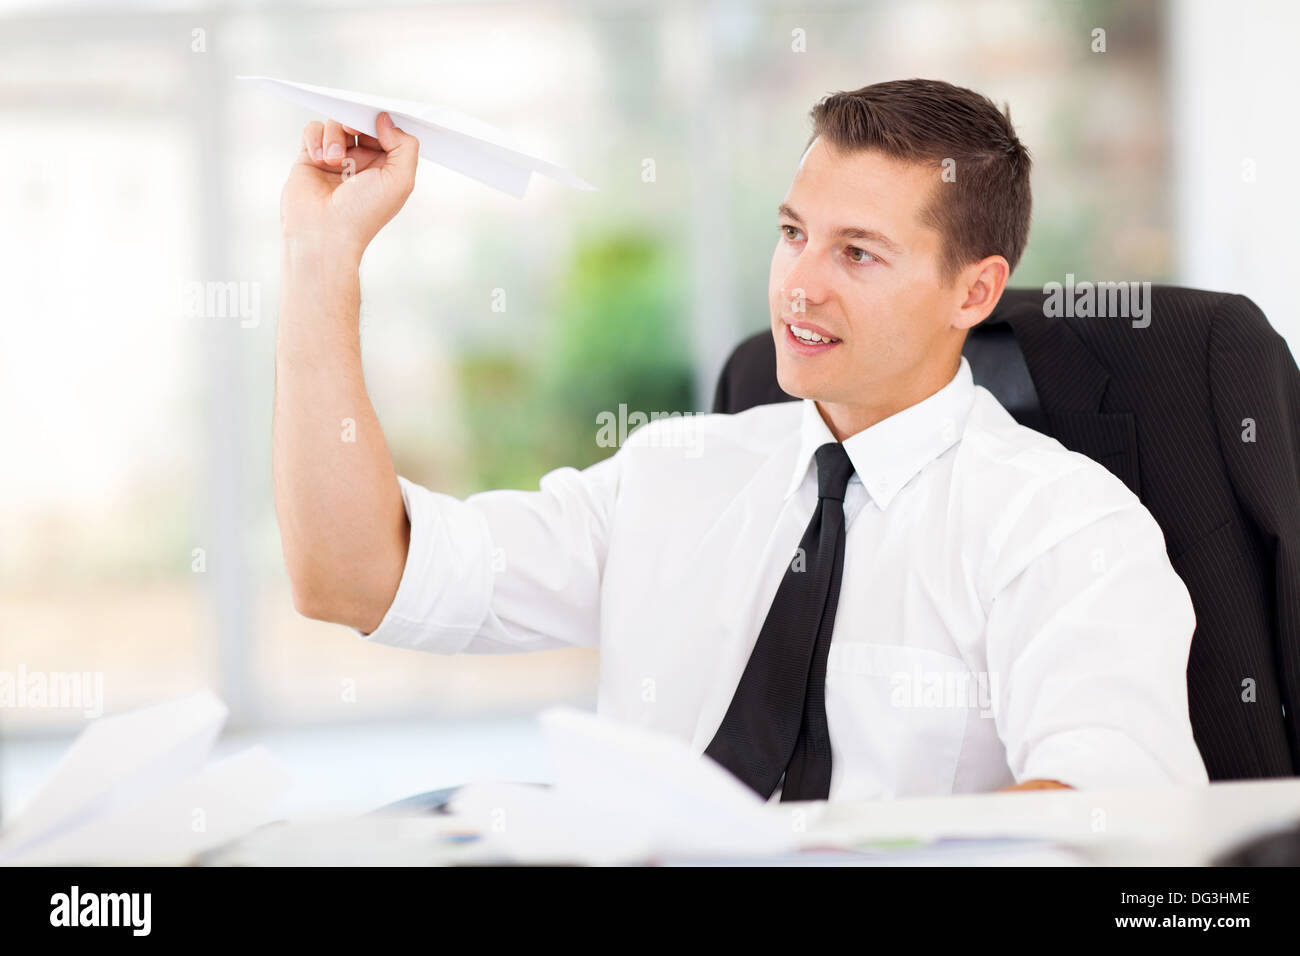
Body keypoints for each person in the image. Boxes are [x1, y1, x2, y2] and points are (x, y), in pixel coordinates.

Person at [272, 78, 1209, 802]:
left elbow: (1115, 814)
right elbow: (352, 575)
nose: (800, 284)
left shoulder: (1065, 528)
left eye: (857, 252)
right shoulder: (678, 472)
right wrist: (324, 262)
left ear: (974, 290)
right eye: (793, 233)